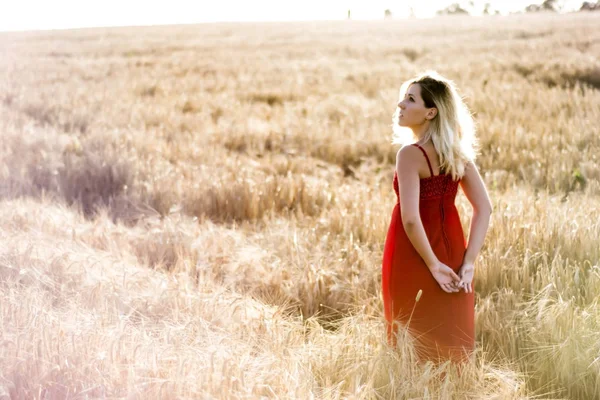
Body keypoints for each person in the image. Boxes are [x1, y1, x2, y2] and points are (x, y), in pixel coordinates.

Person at [381, 71, 492, 363]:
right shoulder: (457, 154)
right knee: (451, 333)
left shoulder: (410, 155)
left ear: (431, 112)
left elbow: (410, 220)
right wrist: (468, 262)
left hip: (414, 252)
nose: (400, 104)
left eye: (410, 99)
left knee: (410, 336)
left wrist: (432, 264)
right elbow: (485, 209)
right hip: (453, 248)